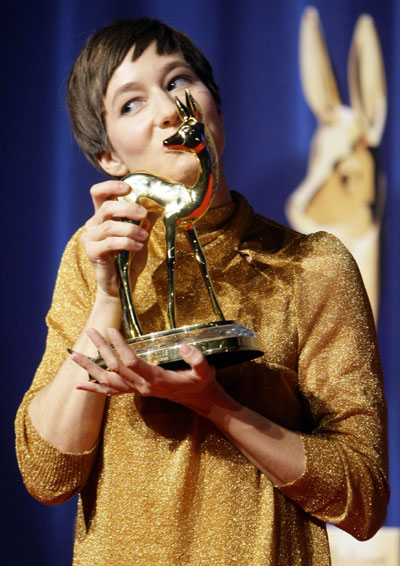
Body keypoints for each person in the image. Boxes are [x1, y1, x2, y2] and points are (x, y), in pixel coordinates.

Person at [15, 18, 389, 566]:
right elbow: (47, 473)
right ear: (109, 158)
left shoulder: (312, 266)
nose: (169, 109)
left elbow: (363, 495)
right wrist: (108, 297)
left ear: (215, 107)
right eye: (130, 104)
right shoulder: (88, 256)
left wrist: (216, 406)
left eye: (178, 81)